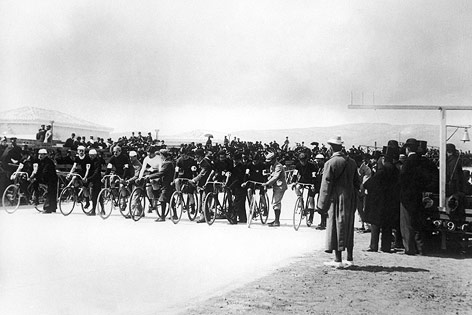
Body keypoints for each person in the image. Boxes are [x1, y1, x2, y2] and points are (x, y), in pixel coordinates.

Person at [317, 135, 360, 268]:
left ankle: (337, 260)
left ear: (331, 148)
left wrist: (321, 205)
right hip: (350, 198)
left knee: (336, 227)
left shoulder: (330, 163)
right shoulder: (352, 162)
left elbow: (326, 185)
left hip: (336, 198)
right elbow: (357, 182)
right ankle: (350, 258)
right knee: (348, 226)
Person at [364, 144, 400, 253]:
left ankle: (373, 245)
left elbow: (370, 183)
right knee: (387, 225)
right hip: (391, 200)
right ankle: (386, 246)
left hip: (379, 200)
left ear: (384, 159)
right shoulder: (396, 170)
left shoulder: (382, 170)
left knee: (375, 223)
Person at [399, 138, 428, 255]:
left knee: (406, 223)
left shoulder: (408, 162)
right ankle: (420, 248)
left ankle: (409, 248)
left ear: (408, 148)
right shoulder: (422, 161)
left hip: (407, 196)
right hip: (418, 194)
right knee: (417, 222)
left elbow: (402, 179)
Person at [147, 149, 174, 222]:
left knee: (162, 199)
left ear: (162, 155)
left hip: (166, 183)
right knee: (170, 199)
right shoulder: (167, 162)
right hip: (167, 183)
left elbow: (161, 173)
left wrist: (149, 176)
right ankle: (174, 214)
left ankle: (162, 217)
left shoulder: (167, 163)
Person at [262, 151, 287, 227]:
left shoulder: (278, 166)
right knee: (275, 202)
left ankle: (277, 221)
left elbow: (275, 177)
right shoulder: (272, 166)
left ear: (274, 159)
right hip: (276, 186)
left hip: (280, 186)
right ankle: (276, 220)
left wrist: (267, 183)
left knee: (276, 202)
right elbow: (272, 175)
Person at [293, 152, 318, 227]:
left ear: (306, 159)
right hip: (302, 181)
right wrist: (294, 182)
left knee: (311, 200)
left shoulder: (312, 166)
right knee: (297, 188)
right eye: (301, 160)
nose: (302, 162)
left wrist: (313, 184)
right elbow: (295, 174)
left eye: (304, 160)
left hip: (311, 182)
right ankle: (301, 200)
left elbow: (314, 176)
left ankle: (310, 218)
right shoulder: (298, 165)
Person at [190, 148, 213, 223]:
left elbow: (201, 174)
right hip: (202, 184)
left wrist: (194, 180)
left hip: (207, 183)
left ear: (201, 156)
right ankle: (206, 215)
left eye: (197, 157)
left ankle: (204, 217)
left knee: (204, 200)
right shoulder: (201, 163)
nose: (196, 158)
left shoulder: (205, 163)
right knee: (202, 199)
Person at [33, 149, 58, 213]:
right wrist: (34, 177)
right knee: (34, 183)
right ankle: (36, 199)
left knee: (51, 192)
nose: (40, 156)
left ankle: (49, 208)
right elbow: (38, 171)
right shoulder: (40, 161)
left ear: (45, 155)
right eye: (39, 154)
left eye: (41, 154)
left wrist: (38, 177)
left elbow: (45, 172)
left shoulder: (48, 162)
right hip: (45, 178)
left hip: (51, 179)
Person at [86, 149, 103, 216]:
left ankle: (94, 210)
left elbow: (96, 172)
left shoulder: (98, 162)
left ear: (95, 155)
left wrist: (89, 178)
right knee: (97, 195)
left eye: (92, 156)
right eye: (90, 155)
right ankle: (100, 209)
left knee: (95, 195)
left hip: (96, 179)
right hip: (91, 178)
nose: (91, 157)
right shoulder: (89, 161)